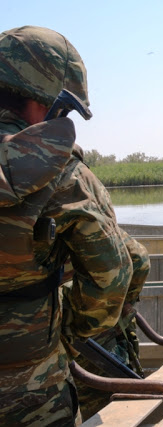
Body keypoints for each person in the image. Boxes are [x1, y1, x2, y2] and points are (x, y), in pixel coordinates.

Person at [0, 26, 133, 426]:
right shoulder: (66, 175)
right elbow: (112, 276)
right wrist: (67, 339)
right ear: (46, 103)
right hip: (29, 382)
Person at [65, 228, 150, 420]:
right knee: (114, 407)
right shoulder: (78, 209)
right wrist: (117, 306)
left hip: (60, 339)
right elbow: (138, 258)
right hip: (105, 335)